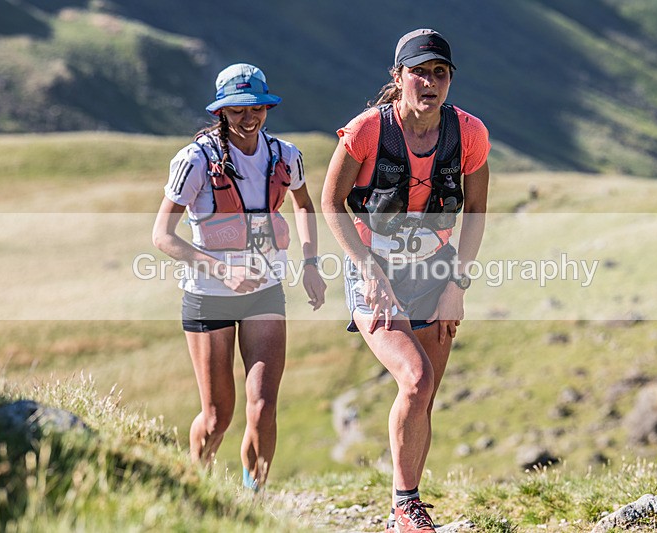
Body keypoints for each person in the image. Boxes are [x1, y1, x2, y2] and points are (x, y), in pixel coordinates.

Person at [321, 29, 490, 532]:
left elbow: (477, 210)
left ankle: (406, 506)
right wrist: (368, 269)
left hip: (436, 274)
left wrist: (458, 283)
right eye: (419, 72)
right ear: (398, 78)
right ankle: (403, 504)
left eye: (440, 73)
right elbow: (331, 202)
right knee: (414, 380)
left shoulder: (469, 134)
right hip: (374, 271)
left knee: (426, 392)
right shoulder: (368, 130)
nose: (430, 82)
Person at [152, 63, 326, 490]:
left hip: (265, 293)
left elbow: (303, 205)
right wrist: (221, 270)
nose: (248, 119)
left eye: (257, 109)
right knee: (217, 417)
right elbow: (161, 236)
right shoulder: (194, 160)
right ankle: (196, 487)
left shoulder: (286, 154)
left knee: (263, 407)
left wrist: (309, 263)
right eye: (237, 110)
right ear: (221, 111)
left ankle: (254, 501)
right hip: (208, 296)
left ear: (267, 107)